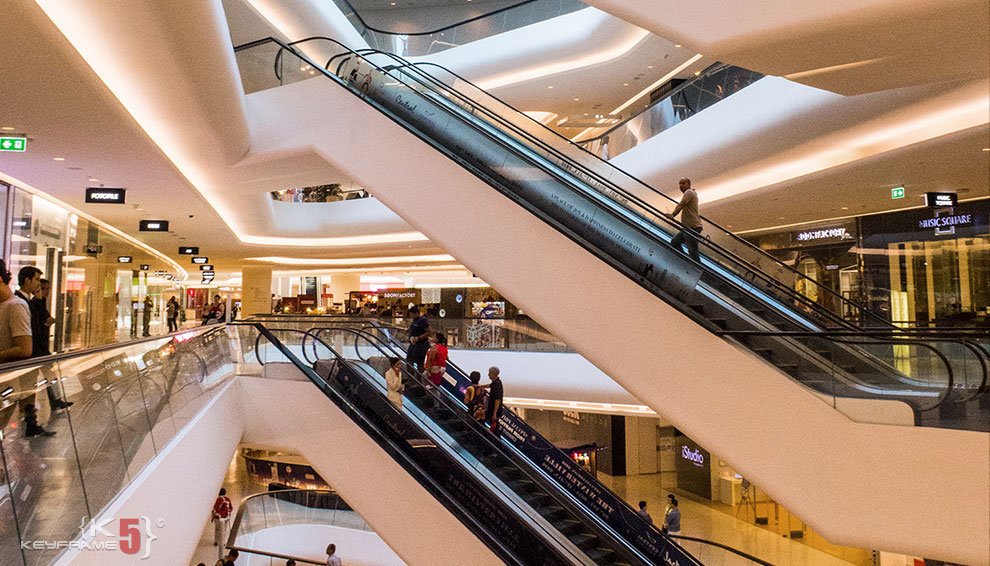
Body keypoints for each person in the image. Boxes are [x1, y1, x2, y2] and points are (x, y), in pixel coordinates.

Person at [30, 279, 72, 410]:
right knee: (41, 376)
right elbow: (42, 321)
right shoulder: (35, 304)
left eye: (48, 289)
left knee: (49, 375)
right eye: (43, 289)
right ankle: (52, 401)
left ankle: (55, 400)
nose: (46, 292)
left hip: (42, 347)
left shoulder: (41, 304)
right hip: (38, 349)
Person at [663, 178, 703, 262]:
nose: (681, 185)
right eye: (680, 183)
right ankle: (685, 262)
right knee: (675, 242)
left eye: (683, 183)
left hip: (692, 227)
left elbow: (681, 205)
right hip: (689, 227)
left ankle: (694, 267)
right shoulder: (692, 193)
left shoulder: (689, 192)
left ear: (689, 184)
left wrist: (673, 215)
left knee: (693, 252)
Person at [405, 306, 431, 372]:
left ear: (416, 313)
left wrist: (418, 338)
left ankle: (418, 376)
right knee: (409, 360)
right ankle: (411, 375)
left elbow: (429, 332)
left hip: (421, 345)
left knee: (419, 362)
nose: (411, 316)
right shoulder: (415, 320)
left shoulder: (423, 320)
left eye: (412, 314)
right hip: (413, 344)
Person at [212, 488, 234, 552]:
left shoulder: (218, 499)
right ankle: (223, 542)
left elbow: (215, 508)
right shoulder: (227, 499)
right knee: (224, 529)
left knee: (217, 529)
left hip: (218, 517)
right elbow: (231, 508)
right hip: (226, 517)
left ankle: (216, 541)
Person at [484, 366, 503, 434]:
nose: (488, 374)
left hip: (494, 411)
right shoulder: (496, 382)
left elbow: (497, 400)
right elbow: (489, 385)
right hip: (492, 409)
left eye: (490, 373)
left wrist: (494, 414)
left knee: (494, 427)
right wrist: (481, 386)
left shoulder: (497, 384)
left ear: (493, 374)